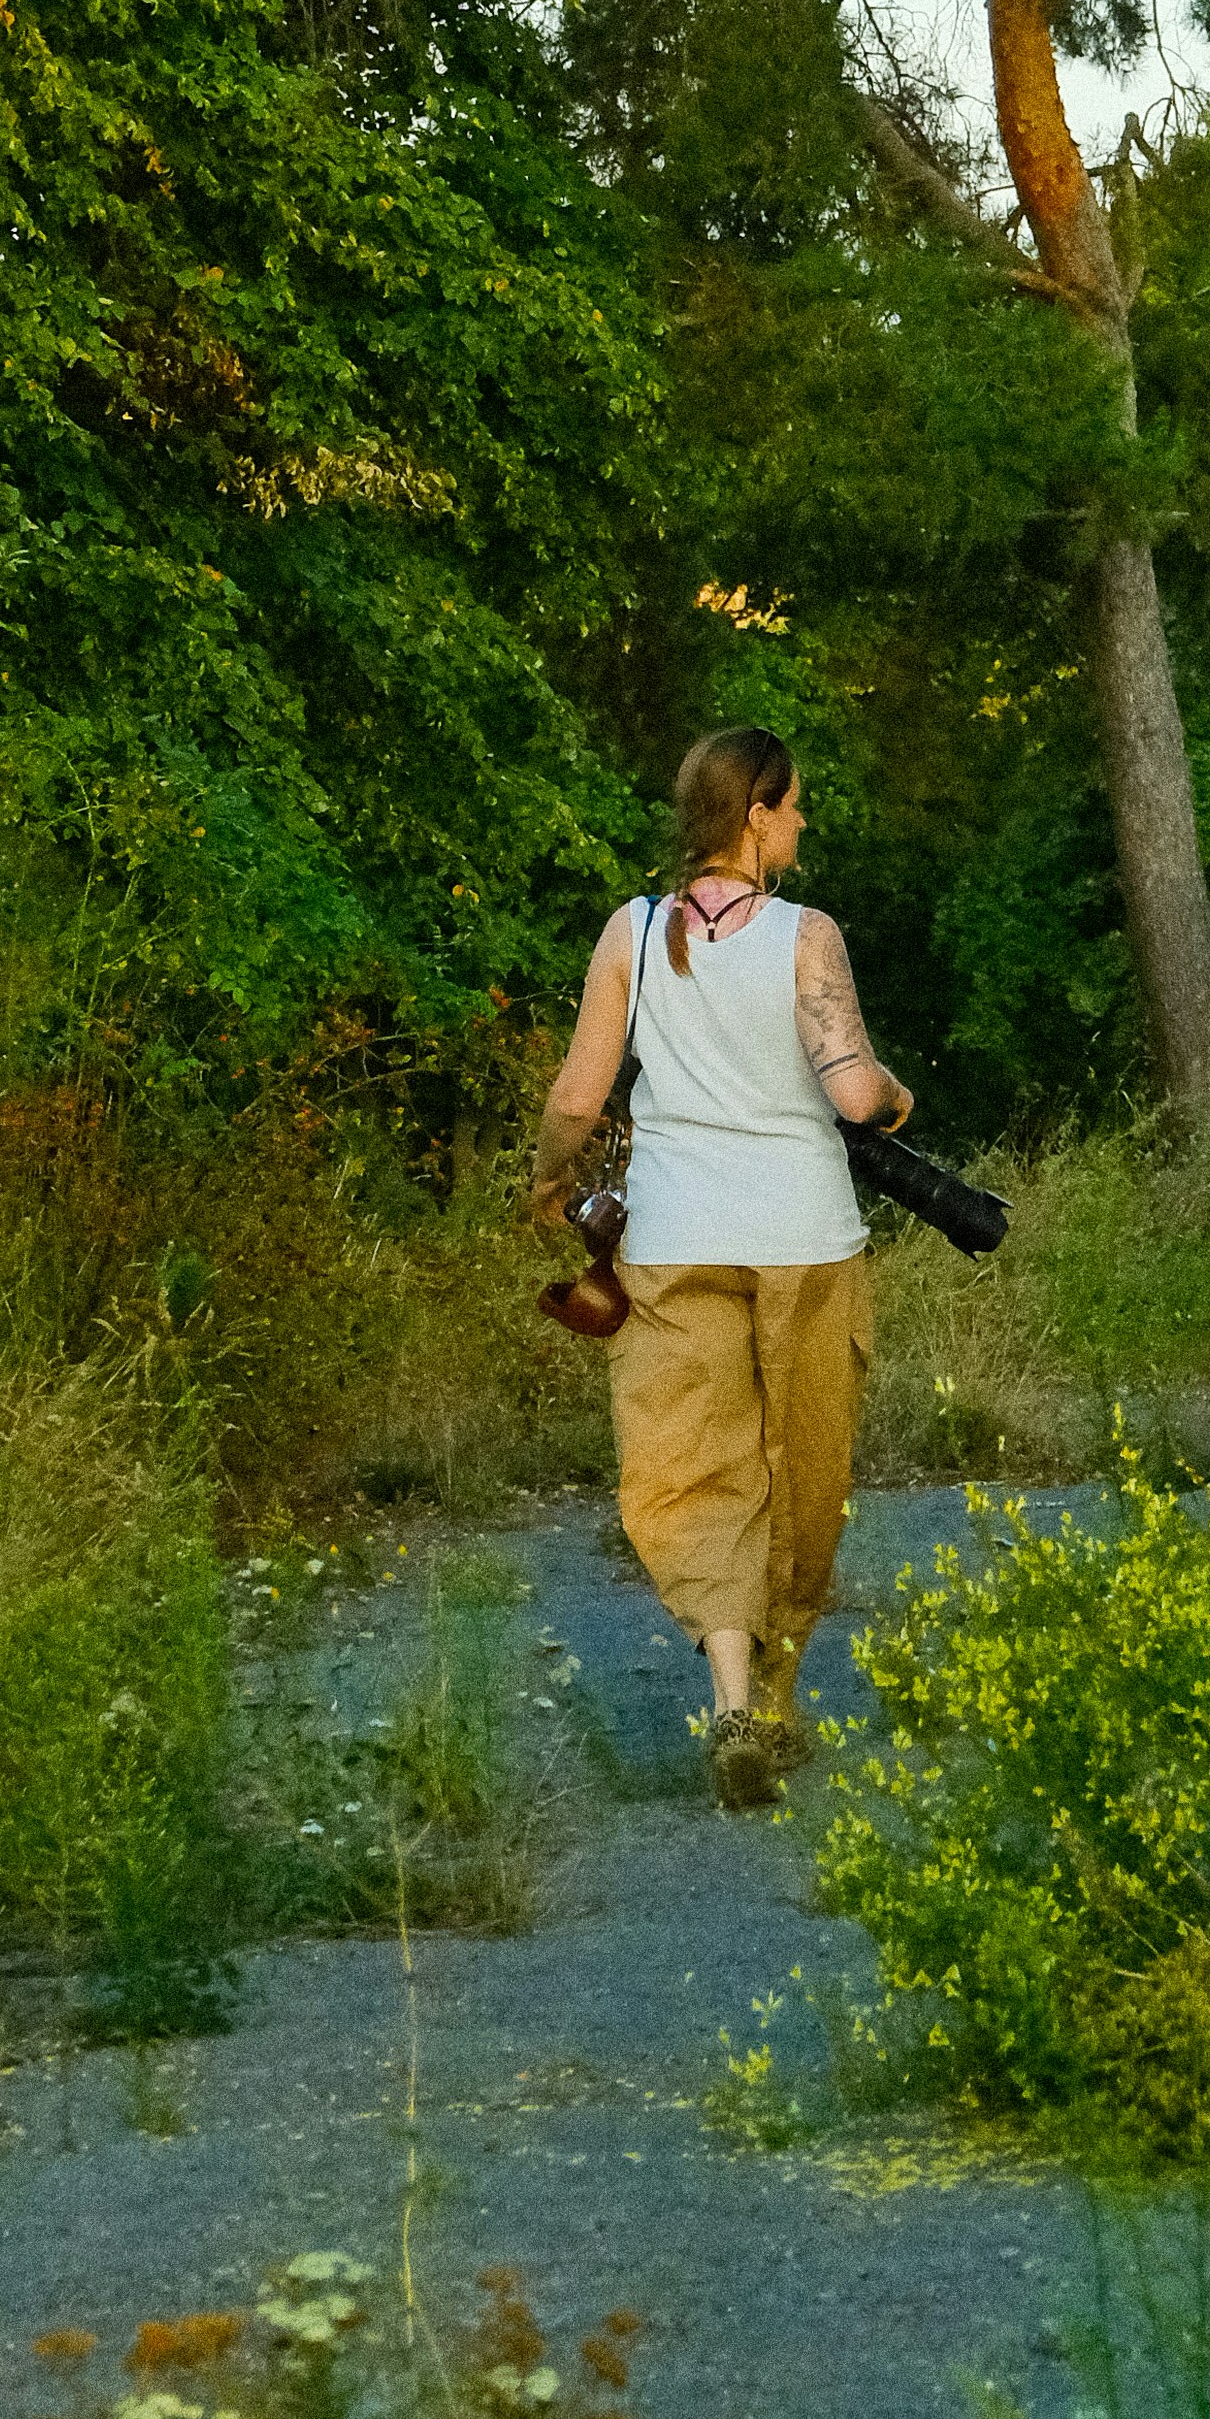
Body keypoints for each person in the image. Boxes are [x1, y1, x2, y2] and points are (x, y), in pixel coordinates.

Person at [529, 727, 914, 1812]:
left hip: (671, 1240)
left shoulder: (633, 931)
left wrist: (544, 1181)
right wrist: (893, 1097)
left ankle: (737, 1699)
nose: (799, 824)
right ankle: (774, 1702)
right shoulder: (807, 936)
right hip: (803, 1240)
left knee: (693, 1467)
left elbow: (574, 1099)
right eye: (790, 807)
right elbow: (850, 1094)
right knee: (800, 1468)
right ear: (755, 814)